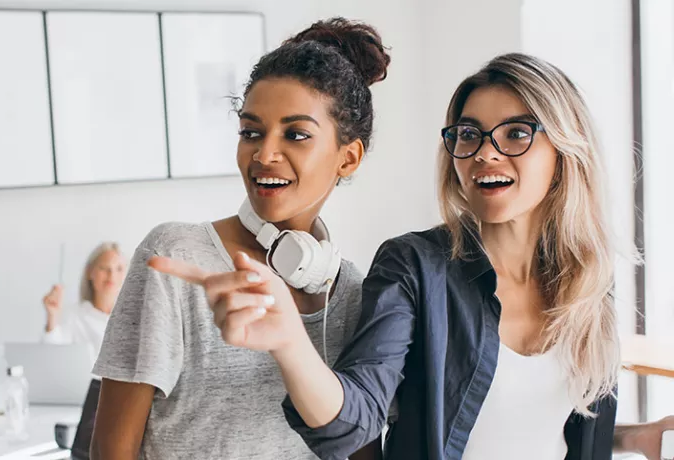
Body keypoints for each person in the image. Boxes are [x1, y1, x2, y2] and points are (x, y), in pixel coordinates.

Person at [154, 53, 674, 460]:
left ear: (565, 149)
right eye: (468, 135)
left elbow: (545, 430)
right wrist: (290, 340)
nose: (486, 152)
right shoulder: (414, 267)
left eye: (516, 133)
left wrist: (636, 438)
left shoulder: (588, 282)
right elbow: (350, 424)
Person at [91, 18, 390, 460]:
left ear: (348, 157)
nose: (264, 154)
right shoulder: (175, 255)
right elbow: (111, 451)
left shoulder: (350, 294)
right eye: (251, 131)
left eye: (296, 134)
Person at [40, 242, 126, 361]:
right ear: (89, 272)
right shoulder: (74, 316)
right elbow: (51, 358)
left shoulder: (137, 317)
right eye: (104, 268)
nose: (111, 275)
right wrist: (52, 316)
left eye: (119, 269)